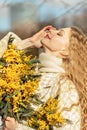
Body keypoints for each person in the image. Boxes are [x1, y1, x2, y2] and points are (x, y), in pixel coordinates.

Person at [0, 25, 87, 130]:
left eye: (59, 34)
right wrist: (29, 42)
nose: (52, 31)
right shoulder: (30, 72)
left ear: (65, 51)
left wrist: (18, 128)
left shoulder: (65, 86)